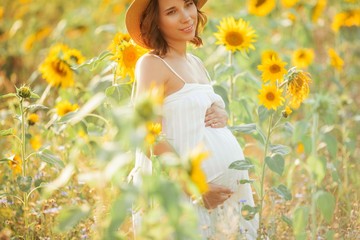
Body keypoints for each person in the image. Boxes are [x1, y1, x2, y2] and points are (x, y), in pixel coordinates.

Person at [126, 0, 259, 239]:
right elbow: (148, 134)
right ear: (155, 21)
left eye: (188, 4)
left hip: (223, 201)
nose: (186, 16)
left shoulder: (195, 63)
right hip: (183, 198)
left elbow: (192, 118)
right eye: (171, 12)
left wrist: (222, 115)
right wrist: (195, 188)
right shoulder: (152, 64)